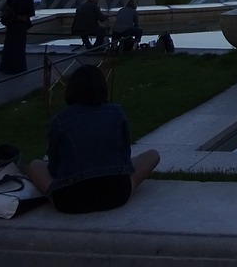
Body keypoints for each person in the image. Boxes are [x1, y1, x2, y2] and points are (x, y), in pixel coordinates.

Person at [26, 64, 159, 213]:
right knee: (152, 155)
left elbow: (54, 167)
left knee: (34, 165)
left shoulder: (60, 120)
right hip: (117, 194)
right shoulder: (117, 113)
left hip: (69, 201)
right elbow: (125, 159)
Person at [0, 0, 36, 75]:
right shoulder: (28, 0)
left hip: (12, 26)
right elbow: (31, 13)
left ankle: (6, 67)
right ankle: (18, 67)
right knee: (19, 48)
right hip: (20, 27)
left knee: (9, 47)